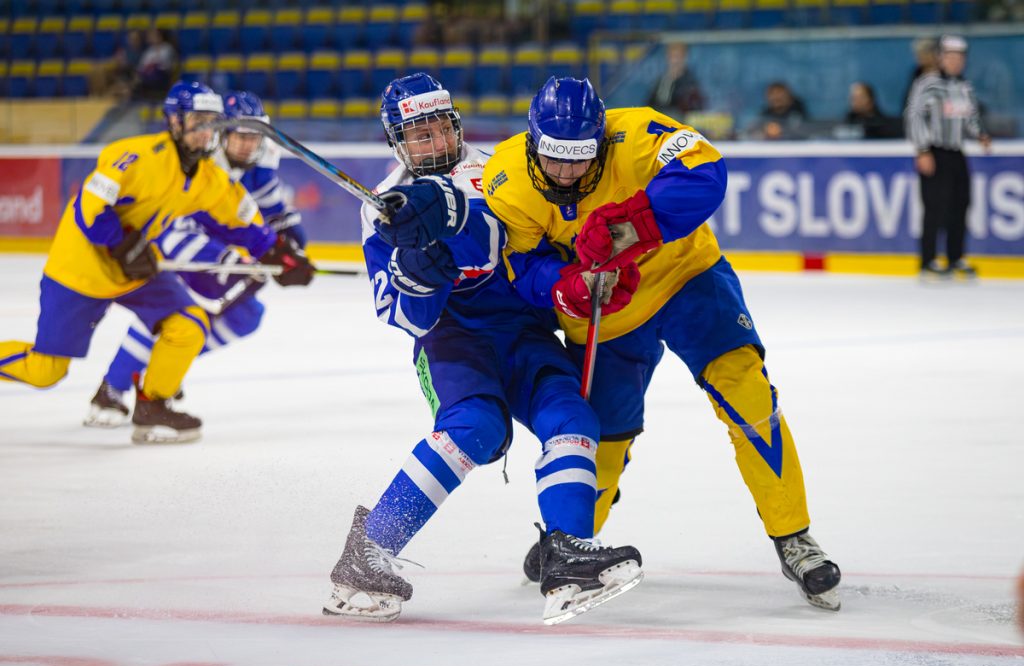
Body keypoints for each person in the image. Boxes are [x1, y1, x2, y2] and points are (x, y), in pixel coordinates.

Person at [483, 76, 842, 611]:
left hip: (686, 278)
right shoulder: (506, 178)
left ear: (603, 143)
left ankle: (793, 536)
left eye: (581, 159)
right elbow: (522, 264)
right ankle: (572, 539)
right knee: (602, 436)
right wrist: (565, 287)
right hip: (607, 312)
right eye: (554, 160)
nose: (566, 175)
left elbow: (707, 171)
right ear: (531, 143)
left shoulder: (640, 132)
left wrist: (630, 227)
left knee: (747, 394)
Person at [322, 73, 643, 625]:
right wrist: (421, 272)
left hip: (523, 332)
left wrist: (569, 281)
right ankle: (367, 551)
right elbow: (400, 314)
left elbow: (527, 252)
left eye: (440, 129)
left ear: (456, 125)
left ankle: (565, 554)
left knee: (573, 415)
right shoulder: (383, 210)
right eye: (418, 135)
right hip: (453, 340)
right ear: (397, 142)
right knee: (477, 426)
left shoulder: (502, 173)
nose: (433, 144)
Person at [0, 80, 306, 444]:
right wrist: (123, 245)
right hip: (81, 271)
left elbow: (243, 226)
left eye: (212, 122)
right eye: (198, 120)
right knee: (45, 371)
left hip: (136, 271)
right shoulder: (135, 155)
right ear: (175, 122)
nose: (206, 130)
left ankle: (153, 405)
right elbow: (89, 208)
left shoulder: (208, 177)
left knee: (190, 324)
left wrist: (278, 255)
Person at [84, 90, 314, 428]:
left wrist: (294, 250)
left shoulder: (259, 170)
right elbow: (174, 226)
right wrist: (228, 263)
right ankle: (111, 389)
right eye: (240, 136)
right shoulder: (198, 163)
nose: (249, 145)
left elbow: (277, 216)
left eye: (255, 137)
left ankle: (160, 369)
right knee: (173, 312)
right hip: (165, 246)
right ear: (221, 134)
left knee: (246, 316)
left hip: (216, 252)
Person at [904, 34, 992, 278]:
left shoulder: (964, 86)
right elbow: (914, 116)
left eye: (959, 57)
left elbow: (970, 117)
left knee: (960, 205)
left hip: (956, 151)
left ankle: (955, 257)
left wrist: (981, 134)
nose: (955, 61)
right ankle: (928, 260)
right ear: (941, 58)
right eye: (950, 56)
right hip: (934, 150)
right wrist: (922, 150)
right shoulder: (928, 83)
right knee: (934, 207)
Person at [647, 42, 705, 117]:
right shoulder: (661, 80)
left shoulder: (689, 82)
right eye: (672, 56)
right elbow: (650, 103)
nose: (675, 61)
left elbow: (691, 108)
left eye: (678, 56)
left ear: (684, 58)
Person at [901, 37, 939, 111]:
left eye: (922, 53)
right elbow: (909, 101)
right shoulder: (916, 74)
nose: (919, 57)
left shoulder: (944, 74)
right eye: (917, 54)